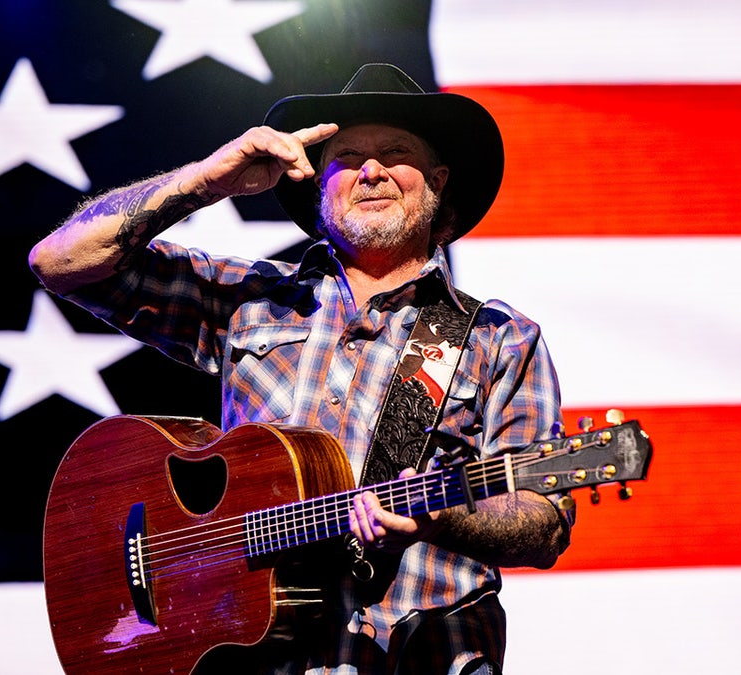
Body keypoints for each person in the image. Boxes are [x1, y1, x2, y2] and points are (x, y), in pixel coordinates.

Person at [29, 63, 573, 675]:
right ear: (319, 185)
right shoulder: (251, 298)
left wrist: (442, 517)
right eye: (347, 158)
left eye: (396, 153)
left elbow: (544, 521)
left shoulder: (500, 337)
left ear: (438, 181)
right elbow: (61, 262)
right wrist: (204, 182)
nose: (371, 171)